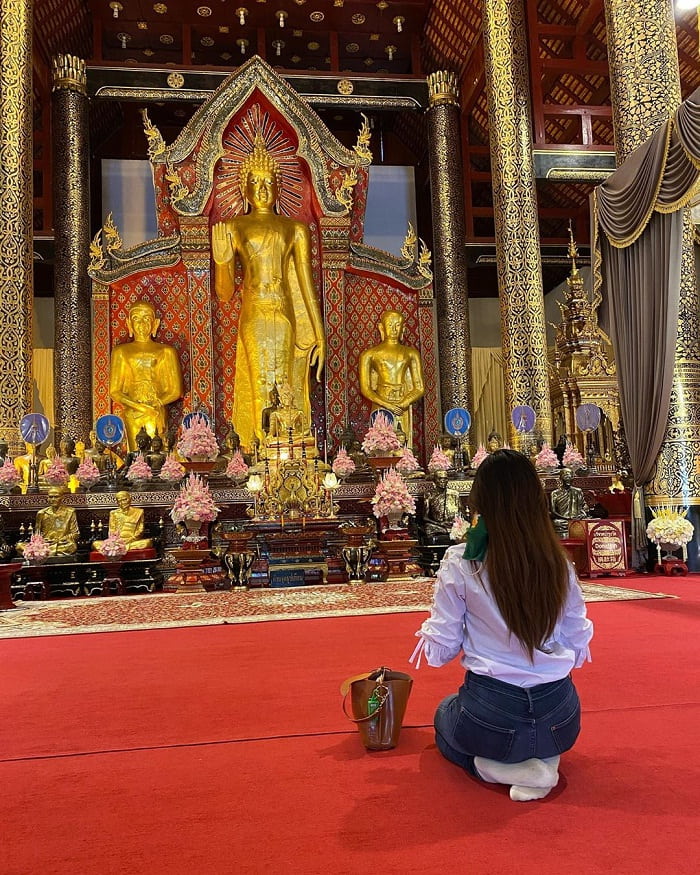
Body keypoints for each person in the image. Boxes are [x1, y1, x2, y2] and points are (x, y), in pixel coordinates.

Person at [410, 450, 593, 802]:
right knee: (534, 727)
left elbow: (440, 651)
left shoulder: (461, 561)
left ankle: (498, 767)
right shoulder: (559, 562)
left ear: (479, 502)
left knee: (445, 717)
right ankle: (545, 759)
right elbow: (576, 639)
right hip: (562, 716)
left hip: (493, 715)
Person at [211, 132, 325, 451]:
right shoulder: (233, 227)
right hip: (255, 314)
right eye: (256, 181)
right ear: (244, 187)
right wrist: (222, 261)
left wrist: (319, 335)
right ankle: (260, 452)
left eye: (269, 181)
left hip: (285, 315)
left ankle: (289, 449)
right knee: (262, 384)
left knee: (286, 384)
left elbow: (306, 285)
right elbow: (224, 293)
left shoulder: (296, 229)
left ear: (278, 185)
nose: (262, 189)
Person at [109, 300, 185, 451]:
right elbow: (114, 391)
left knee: (158, 454)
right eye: (136, 318)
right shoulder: (121, 352)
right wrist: (139, 406)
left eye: (146, 318)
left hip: (156, 410)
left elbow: (176, 390)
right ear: (129, 323)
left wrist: (155, 404)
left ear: (155, 323)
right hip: (133, 412)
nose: (141, 323)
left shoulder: (166, 352)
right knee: (136, 455)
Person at [359, 310, 425, 447]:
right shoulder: (370, 355)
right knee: (380, 443)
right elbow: (366, 389)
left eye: (397, 325)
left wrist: (403, 403)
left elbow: (419, 388)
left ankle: (406, 464)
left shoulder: (411, 353)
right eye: (390, 325)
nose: (394, 329)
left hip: (402, 403)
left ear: (403, 328)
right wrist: (387, 405)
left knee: (404, 444)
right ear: (381, 327)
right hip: (381, 403)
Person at [17, 486, 79, 556]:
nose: (53, 499)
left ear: (62, 498)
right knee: (19, 546)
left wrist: (60, 539)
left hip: (62, 544)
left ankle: (42, 554)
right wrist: (42, 541)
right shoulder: (41, 513)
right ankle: (42, 553)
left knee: (71, 546)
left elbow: (75, 534)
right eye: (51, 497)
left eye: (56, 497)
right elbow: (37, 534)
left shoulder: (70, 512)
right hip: (44, 545)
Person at [550, 467, 589, 537]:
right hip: (562, 521)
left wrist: (583, 513)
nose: (568, 478)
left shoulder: (577, 491)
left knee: (584, 523)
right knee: (556, 523)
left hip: (577, 520)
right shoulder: (555, 493)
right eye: (565, 476)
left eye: (570, 476)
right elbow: (553, 511)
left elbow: (584, 506)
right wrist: (567, 519)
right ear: (560, 478)